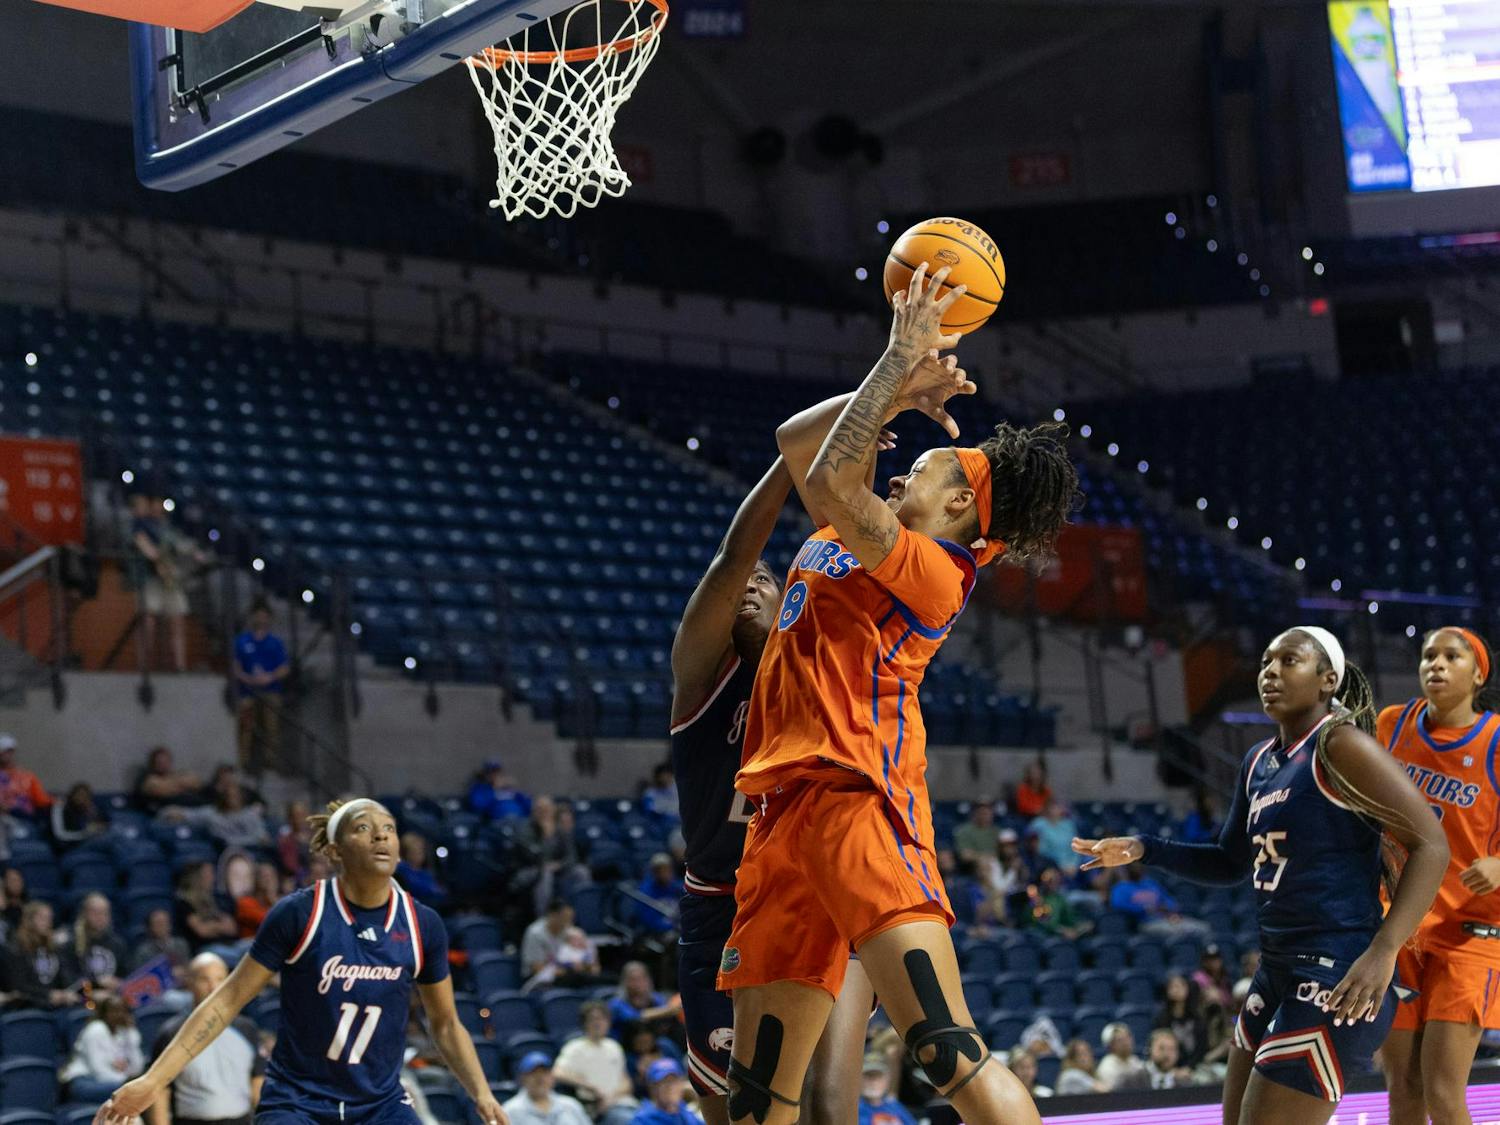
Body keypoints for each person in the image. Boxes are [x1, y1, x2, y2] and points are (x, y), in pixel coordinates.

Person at [718, 266, 1078, 1125]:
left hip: (859, 806)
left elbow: (837, 473)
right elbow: (795, 440)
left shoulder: (937, 570)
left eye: (913, 469)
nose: (895, 476)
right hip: (780, 816)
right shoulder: (859, 533)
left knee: (943, 1047)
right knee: (755, 1096)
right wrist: (896, 385)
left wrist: (895, 362)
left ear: (958, 503)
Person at [1074, 626, 1450, 1124]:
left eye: (1288, 661)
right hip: (1276, 970)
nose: (1270, 672)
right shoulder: (1257, 762)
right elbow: (1231, 861)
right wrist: (1146, 849)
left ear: (1327, 679)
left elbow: (1432, 845)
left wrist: (1384, 951)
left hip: (1337, 971)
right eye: (1265, 663)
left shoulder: (1340, 746)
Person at [669, 448, 880, 1125]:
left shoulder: (822, 681)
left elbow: (861, 564)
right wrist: (796, 463)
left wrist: (858, 461)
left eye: (768, 576)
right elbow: (736, 554)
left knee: (826, 1105)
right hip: (722, 910)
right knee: (745, 1113)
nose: (754, 583)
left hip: (822, 896)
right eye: (743, 583)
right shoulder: (701, 679)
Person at [95, 797, 509, 1125]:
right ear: (335, 850)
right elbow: (227, 1000)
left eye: (389, 829)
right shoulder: (301, 913)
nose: (381, 837)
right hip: (298, 1103)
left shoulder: (423, 925)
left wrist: (482, 1094)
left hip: (379, 1105)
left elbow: (446, 1023)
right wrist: (154, 1079)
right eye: (364, 829)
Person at [1377, 626, 1500, 1125]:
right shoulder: (1391, 725)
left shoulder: (1495, 741)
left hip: (1469, 935)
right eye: (1429, 655)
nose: (1437, 664)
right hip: (1399, 930)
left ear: (1477, 675)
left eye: (1452, 656)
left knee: (1444, 1092)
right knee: (1402, 1090)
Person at [147, 952, 265, 1125]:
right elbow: (159, 1091)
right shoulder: (172, 1033)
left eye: (219, 979)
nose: (213, 987)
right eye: (204, 979)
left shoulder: (247, 1029)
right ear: (190, 982)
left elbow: (257, 1083)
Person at [553, 1001, 638, 1124]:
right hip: (596, 1108)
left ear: (608, 1023)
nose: (598, 1023)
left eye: (602, 1019)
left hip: (622, 1102)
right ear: (585, 1023)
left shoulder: (614, 1046)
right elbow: (557, 1073)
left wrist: (611, 1098)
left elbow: (626, 1082)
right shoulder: (575, 1047)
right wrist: (590, 1087)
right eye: (592, 1019)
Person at [233, 601, 290, 777]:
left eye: (264, 615)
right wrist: (247, 678)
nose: (261, 618)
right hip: (247, 690)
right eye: (258, 614)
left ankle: (270, 761)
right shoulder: (242, 641)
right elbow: (235, 665)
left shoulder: (275, 642)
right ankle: (242, 762)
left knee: (271, 727)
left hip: (271, 690)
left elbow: (284, 668)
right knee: (245, 725)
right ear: (252, 617)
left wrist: (270, 677)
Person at [63, 997, 145, 1104]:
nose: (119, 1015)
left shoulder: (123, 1032)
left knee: (140, 1089)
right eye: (114, 1011)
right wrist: (126, 1081)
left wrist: (130, 1032)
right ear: (104, 1013)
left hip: (112, 1081)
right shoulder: (95, 1030)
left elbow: (137, 1068)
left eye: (123, 1011)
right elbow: (99, 1071)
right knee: (133, 1091)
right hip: (83, 1081)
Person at [0, 900, 81, 1009]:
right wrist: (48, 994)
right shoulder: (16, 948)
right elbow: (18, 986)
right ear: (29, 920)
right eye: (42, 918)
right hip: (28, 1006)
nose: (48, 922)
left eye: (49, 918)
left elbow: (64, 978)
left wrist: (67, 993)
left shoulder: (53, 948)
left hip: (55, 1005)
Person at [503, 1053, 592, 1125]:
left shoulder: (571, 1105)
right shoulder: (510, 1110)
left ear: (552, 1077)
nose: (540, 1078)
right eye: (534, 1074)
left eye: (544, 1073)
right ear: (523, 1079)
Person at [608, 962, 681, 1043]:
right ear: (625, 982)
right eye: (633, 979)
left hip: (653, 1042)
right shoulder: (616, 1003)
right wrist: (668, 1010)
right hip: (624, 1044)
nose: (638, 983)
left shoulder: (656, 998)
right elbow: (635, 1018)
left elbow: (668, 1013)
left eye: (642, 978)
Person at [174, 862, 239, 953]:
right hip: (205, 949)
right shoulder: (184, 903)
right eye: (208, 874)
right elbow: (202, 931)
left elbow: (232, 928)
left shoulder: (215, 899)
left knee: (253, 949)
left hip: (229, 944)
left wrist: (212, 927)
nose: (213, 878)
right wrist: (220, 927)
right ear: (197, 878)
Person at [71, 891, 130, 991]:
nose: (100, 917)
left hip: (111, 996)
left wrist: (118, 983)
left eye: (105, 913)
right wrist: (97, 983)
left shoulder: (118, 944)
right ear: (84, 914)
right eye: (95, 913)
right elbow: (71, 981)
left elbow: (127, 977)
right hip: (84, 998)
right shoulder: (72, 943)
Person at [1154, 974, 1210, 1068]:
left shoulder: (1197, 1018)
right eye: (1173, 986)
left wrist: (1190, 1067)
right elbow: (1158, 1045)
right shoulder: (1161, 1019)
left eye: (1180, 986)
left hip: (1195, 1066)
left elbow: (1202, 1047)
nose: (1177, 989)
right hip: (1169, 1067)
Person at [135, 747, 204, 817]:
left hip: (191, 807)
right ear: (153, 764)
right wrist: (182, 786)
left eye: (166, 761)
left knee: (208, 812)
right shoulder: (150, 780)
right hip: (167, 810)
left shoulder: (176, 775)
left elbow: (197, 784)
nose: (163, 765)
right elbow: (162, 790)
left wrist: (174, 785)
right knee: (207, 816)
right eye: (160, 762)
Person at [628, 1059, 699, 1125]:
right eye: (665, 1082)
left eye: (675, 1081)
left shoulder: (685, 1112)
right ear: (653, 1088)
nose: (671, 1087)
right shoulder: (642, 1120)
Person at [855, 1053, 917, 1125]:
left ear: (887, 1080)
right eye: (869, 1076)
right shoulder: (854, 1110)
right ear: (859, 1080)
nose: (874, 1082)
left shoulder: (894, 1105)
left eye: (878, 1076)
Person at [521, 900, 575, 980]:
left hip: (561, 974)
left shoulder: (566, 931)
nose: (569, 923)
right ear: (553, 915)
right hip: (537, 979)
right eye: (565, 918)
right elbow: (537, 969)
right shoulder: (535, 933)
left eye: (570, 919)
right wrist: (567, 971)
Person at [0, 735, 52, 819]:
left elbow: (41, 800)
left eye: (9, 751)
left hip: (24, 820)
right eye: (3, 752)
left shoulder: (27, 776)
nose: (6, 755)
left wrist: (56, 802)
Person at [633, 855, 682, 939]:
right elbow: (648, 920)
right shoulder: (646, 890)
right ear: (654, 872)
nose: (664, 873)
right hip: (656, 934)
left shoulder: (677, 887)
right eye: (660, 870)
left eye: (667, 869)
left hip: (677, 929)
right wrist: (672, 927)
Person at [394, 834, 447, 912]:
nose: (420, 855)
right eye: (415, 852)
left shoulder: (425, 873)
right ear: (406, 853)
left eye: (421, 851)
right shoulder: (401, 871)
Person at [131, 908, 192, 975]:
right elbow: (141, 977)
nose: (163, 926)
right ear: (151, 927)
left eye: (166, 922)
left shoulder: (181, 944)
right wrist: (169, 973)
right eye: (159, 923)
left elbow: (188, 967)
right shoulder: (143, 952)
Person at [1027, 800, 1079, 874]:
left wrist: (1074, 864)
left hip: (1071, 864)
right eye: (1051, 808)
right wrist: (1061, 865)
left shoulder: (1068, 824)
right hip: (1050, 862)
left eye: (1056, 807)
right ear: (1046, 809)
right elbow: (1039, 847)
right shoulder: (1039, 823)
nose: (1053, 810)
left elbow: (1076, 846)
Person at [236, 861, 284, 938]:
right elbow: (270, 922)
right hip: (249, 945)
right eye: (264, 876)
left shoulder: (282, 901)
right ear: (256, 879)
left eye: (272, 876)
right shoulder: (245, 902)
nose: (268, 880)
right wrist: (272, 896)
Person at [1094, 1024, 1148, 1092]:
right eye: (1120, 1040)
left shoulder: (1134, 1059)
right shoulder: (1107, 1066)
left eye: (1127, 1037)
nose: (1126, 1043)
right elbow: (1114, 1091)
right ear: (1110, 1046)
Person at [953, 802, 1001, 874]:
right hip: (973, 867)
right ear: (975, 813)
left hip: (997, 864)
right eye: (982, 812)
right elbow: (965, 855)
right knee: (984, 864)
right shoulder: (964, 831)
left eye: (988, 813)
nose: (985, 816)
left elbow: (1005, 852)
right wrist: (983, 858)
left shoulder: (997, 831)